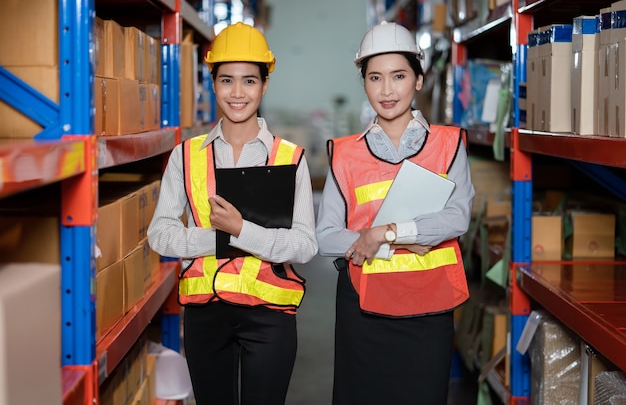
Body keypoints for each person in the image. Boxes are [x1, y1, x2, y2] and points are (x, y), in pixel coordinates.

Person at [147, 22, 318, 405]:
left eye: (249, 81)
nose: (237, 93)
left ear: (265, 84)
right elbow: (160, 234)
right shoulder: (186, 155)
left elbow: (305, 245)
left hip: (270, 314)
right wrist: (220, 237)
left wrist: (242, 230)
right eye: (226, 80)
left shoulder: (289, 158)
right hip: (206, 312)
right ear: (212, 82)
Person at [316, 21, 475, 405]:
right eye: (375, 78)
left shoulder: (448, 145)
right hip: (363, 306)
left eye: (399, 76)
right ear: (364, 82)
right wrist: (410, 237)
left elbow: (457, 217)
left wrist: (382, 234)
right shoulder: (345, 153)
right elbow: (325, 237)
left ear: (418, 80)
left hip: (428, 309)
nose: (387, 90)